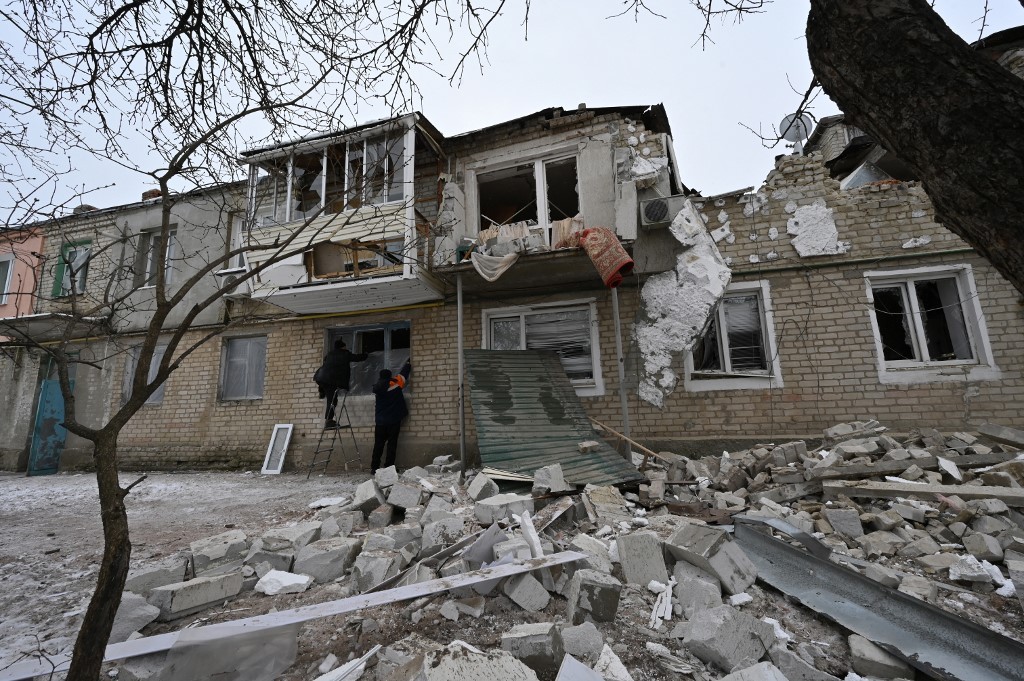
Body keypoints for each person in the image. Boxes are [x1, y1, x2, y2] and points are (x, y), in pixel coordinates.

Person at [370, 359, 411, 473]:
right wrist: (407, 364)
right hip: (393, 420)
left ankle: (374, 467)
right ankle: (389, 466)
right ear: (389, 376)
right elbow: (403, 375)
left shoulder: (377, 387)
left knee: (378, 444)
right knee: (392, 444)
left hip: (380, 422)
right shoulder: (395, 384)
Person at [315, 339, 367, 428]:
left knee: (331, 398)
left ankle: (322, 391)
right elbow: (357, 358)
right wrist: (366, 354)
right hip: (330, 380)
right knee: (332, 401)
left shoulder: (330, 354)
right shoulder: (344, 354)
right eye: (345, 346)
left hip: (320, 377)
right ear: (342, 347)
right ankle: (328, 421)